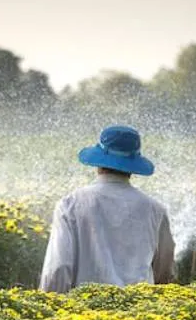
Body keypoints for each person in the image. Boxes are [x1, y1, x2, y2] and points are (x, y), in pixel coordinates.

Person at [38, 125, 176, 292]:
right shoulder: (155, 210)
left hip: (82, 311)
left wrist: (51, 308)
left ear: (99, 162)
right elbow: (164, 271)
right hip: (140, 312)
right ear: (133, 166)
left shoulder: (71, 204)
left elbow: (58, 269)